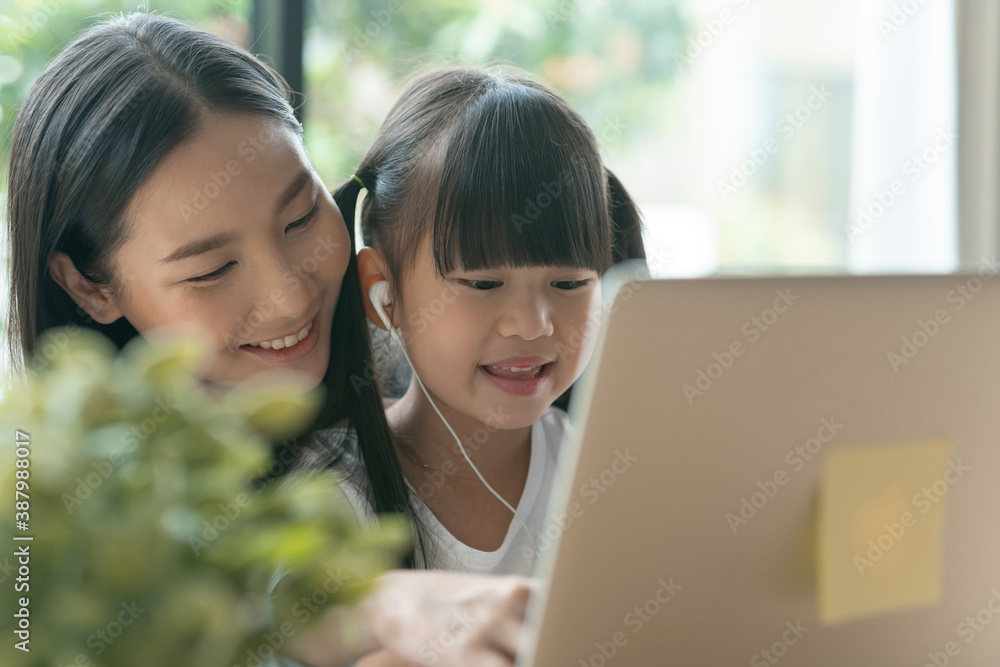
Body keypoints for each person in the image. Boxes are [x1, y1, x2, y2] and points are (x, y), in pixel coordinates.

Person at [4, 14, 538, 667]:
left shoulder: (430, 389)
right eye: (212, 270)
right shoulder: (48, 504)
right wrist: (390, 609)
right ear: (90, 286)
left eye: (301, 215)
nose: (289, 296)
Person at [289, 67, 646, 666]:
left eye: (568, 282)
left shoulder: (604, 477)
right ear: (385, 293)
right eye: (482, 283)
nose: (532, 325)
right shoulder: (329, 495)